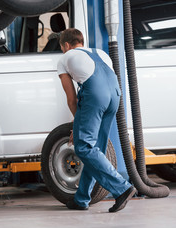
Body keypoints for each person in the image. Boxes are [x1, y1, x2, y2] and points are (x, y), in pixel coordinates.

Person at [57, 28, 136, 213]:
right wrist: (81, 126)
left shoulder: (65, 58)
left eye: (62, 47)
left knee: (84, 147)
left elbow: (71, 99)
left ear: (66, 45)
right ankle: (81, 198)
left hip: (96, 95)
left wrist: (79, 125)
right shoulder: (101, 53)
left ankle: (122, 188)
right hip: (115, 96)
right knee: (95, 150)